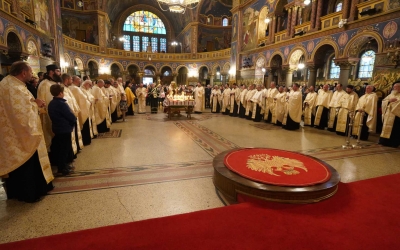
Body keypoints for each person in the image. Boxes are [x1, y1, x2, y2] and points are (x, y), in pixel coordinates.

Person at [0, 61, 54, 203]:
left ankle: (16, 192)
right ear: (23, 72)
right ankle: (29, 193)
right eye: (30, 72)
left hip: (11, 134)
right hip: (22, 134)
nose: (32, 75)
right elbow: (22, 115)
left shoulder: (9, 83)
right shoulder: (15, 88)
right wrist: (36, 105)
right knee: (26, 164)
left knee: (18, 166)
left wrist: (33, 102)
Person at [48, 84, 76, 176]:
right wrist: (73, 120)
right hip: (64, 129)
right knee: (64, 149)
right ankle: (62, 168)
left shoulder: (51, 103)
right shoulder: (62, 104)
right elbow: (70, 116)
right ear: (60, 93)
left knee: (61, 148)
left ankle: (63, 165)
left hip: (57, 128)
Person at [37, 64, 62, 151]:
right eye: (58, 71)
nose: (60, 73)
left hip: (59, 115)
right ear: (51, 72)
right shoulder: (44, 84)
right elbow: (44, 100)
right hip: (49, 115)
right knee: (51, 136)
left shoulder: (54, 83)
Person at [70, 75, 91, 146]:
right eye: (79, 80)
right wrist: (89, 102)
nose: (80, 81)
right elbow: (83, 99)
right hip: (80, 109)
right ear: (75, 80)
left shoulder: (70, 88)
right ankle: (85, 140)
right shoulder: (76, 88)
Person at [379, 82, 400, 147]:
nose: (395, 88)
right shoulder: (390, 95)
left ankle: (393, 143)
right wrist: (389, 101)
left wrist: (394, 103)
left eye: (396, 87)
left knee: (395, 129)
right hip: (388, 114)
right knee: (385, 128)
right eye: (394, 87)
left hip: (396, 115)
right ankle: (384, 141)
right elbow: (384, 101)